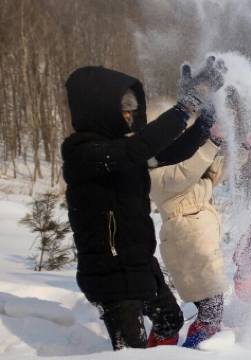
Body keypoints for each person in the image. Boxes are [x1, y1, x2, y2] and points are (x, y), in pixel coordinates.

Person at [61, 57, 225, 350]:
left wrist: (205, 117)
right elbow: (140, 147)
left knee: (170, 322)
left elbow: (171, 151)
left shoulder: (125, 153)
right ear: (97, 108)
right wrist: (188, 103)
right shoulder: (84, 153)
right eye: (122, 110)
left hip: (139, 264)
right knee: (130, 350)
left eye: (130, 110)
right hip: (108, 271)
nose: (128, 116)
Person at [148, 112, 226, 349]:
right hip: (187, 242)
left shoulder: (194, 173)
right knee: (211, 306)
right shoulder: (158, 174)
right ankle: (192, 350)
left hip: (201, 241)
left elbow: (217, 170)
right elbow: (186, 172)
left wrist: (243, 147)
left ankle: (189, 349)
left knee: (211, 306)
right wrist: (213, 143)